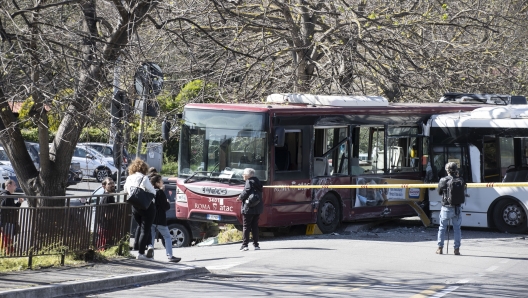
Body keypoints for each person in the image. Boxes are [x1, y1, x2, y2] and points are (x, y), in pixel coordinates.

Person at [123, 158, 156, 260]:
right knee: (145, 229)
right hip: (147, 207)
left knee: (142, 227)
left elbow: (125, 190)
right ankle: (141, 253)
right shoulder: (144, 178)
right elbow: (153, 192)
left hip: (135, 207)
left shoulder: (129, 178)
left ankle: (149, 245)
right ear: (144, 168)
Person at [149, 174, 181, 263]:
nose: (162, 182)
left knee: (151, 236)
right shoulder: (160, 192)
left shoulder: (151, 192)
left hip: (152, 218)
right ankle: (170, 255)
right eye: (161, 181)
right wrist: (167, 201)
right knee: (167, 236)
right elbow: (165, 206)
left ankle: (150, 256)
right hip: (160, 219)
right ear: (157, 183)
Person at [436, 162, 463, 255]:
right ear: (456, 170)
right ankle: (456, 249)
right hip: (457, 208)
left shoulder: (443, 180)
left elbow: (439, 192)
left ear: (447, 170)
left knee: (442, 227)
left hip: (446, 207)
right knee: (457, 229)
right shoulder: (460, 180)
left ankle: (440, 248)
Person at [236, 168, 263, 251]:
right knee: (255, 226)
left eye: (244, 174)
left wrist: (240, 198)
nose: (243, 175)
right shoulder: (258, 181)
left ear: (248, 175)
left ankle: (245, 245)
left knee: (246, 226)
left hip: (249, 207)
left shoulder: (249, 181)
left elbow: (246, 191)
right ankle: (256, 245)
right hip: (257, 207)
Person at [0, 179, 24, 254]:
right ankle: (9, 254)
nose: (16, 187)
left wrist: (19, 203)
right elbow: (2, 209)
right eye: (14, 185)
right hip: (6, 222)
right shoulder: (6, 196)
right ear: (9, 185)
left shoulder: (6, 195)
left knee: (6, 240)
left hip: (7, 221)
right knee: (7, 240)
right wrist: (2, 223)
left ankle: (7, 253)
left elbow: (12, 208)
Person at [96, 177, 116, 250]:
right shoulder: (108, 197)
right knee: (104, 247)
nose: (112, 185)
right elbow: (107, 215)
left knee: (103, 246)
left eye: (113, 183)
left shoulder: (108, 196)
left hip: (105, 226)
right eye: (109, 183)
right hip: (106, 227)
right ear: (104, 186)